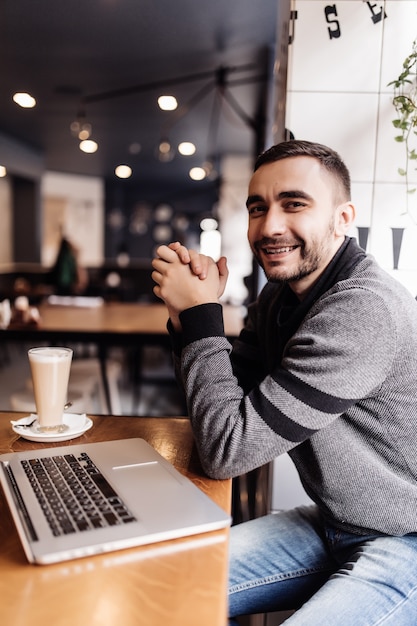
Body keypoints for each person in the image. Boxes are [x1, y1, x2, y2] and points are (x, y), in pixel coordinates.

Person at [151, 140, 417, 625]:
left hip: (407, 543)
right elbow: (225, 411)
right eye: (258, 208)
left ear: (342, 218)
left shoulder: (363, 308)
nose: (270, 226)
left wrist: (200, 316)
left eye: (294, 203)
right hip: (334, 524)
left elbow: (226, 450)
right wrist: (187, 318)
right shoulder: (277, 300)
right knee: (158, 583)